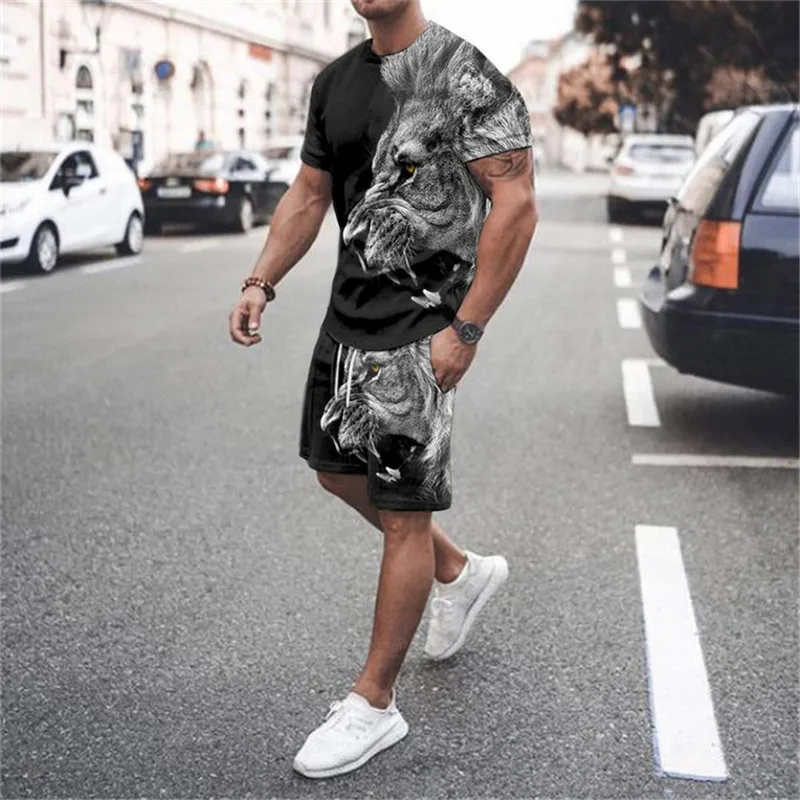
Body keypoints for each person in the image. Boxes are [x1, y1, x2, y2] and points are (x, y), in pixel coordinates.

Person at [229, 0, 537, 779]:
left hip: (421, 327)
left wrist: (466, 327)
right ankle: (458, 571)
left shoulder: (467, 74)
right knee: (336, 473)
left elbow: (516, 203)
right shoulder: (335, 81)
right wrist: (262, 279)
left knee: (404, 516)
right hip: (347, 322)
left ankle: (374, 703)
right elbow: (308, 194)